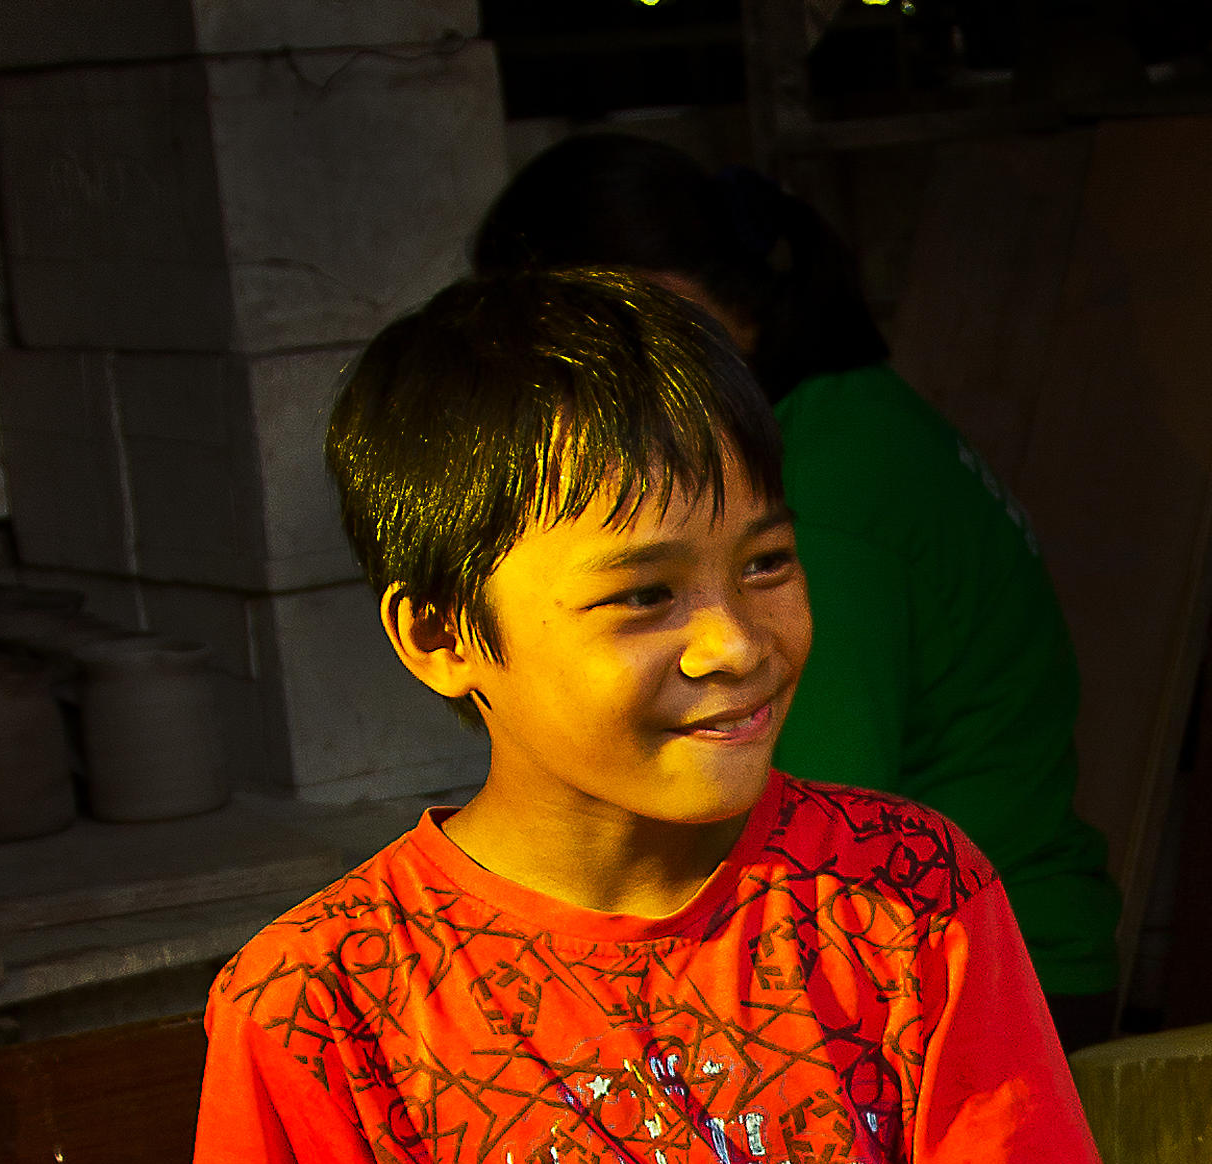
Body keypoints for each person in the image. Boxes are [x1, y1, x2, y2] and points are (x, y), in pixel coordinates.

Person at [170, 270, 1212, 1164]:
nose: (735, 641)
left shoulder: (906, 893)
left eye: (767, 565)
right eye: (644, 597)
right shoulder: (319, 1001)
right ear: (443, 637)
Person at [473, 136, 1126, 1049]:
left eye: (614, 334)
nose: (599, 385)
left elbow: (795, 807)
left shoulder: (815, 488)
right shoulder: (848, 417)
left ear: (704, 298)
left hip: (980, 984)